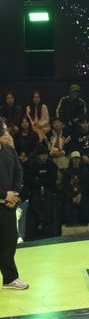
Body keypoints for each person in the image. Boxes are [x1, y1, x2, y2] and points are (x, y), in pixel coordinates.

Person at [0, 118, 28, 290]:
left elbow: (19, 172)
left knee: (9, 241)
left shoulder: (9, 150)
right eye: (4, 129)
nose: (7, 132)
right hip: (4, 200)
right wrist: (5, 195)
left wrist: (15, 194)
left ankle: (10, 278)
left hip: (8, 206)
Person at [26, 145, 58, 234]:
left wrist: (39, 180)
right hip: (36, 189)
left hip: (49, 188)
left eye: (45, 154)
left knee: (48, 198)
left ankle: (44, 222)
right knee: (35, 199)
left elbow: (52, 180)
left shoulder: (52, 165)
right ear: (37, 156)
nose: (44, 157)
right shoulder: (33, 166)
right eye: (42, 155)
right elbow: (31, 181)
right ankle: (39, 221)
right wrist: (43, 181)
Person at [61, 151, 89, 225]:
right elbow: (65, 186)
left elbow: (86, 185)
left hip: (82, 195)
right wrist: (72, 197)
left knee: (86, 205)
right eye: (74, 158)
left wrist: (80, 194)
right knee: (67, 207)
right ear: (71, 160)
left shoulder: (85, 171)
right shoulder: (66, 172)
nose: (76, 160)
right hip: (70, 197)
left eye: (78, 158)